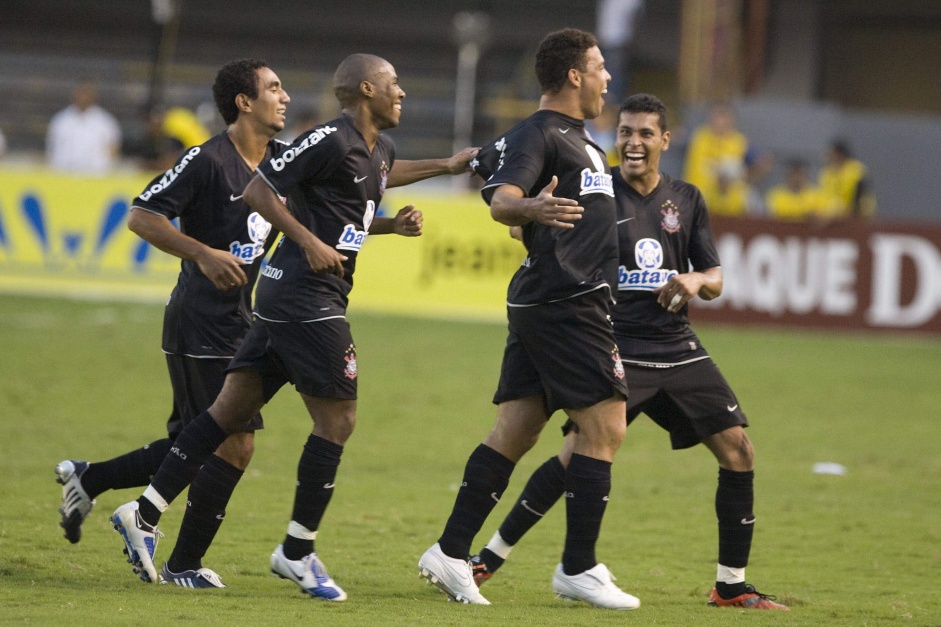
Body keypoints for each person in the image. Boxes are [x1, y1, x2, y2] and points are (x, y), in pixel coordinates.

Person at [107, 53, 478, 600]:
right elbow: (259, 190)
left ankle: (144, 510)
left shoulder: (378, 149)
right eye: (395, 84)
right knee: (339, 420)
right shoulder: (328, 136)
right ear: (367, 89)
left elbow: (376, 178)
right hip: (306, 296)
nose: (402, 93)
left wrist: (436, 177)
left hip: (284, 298)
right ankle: (297, 551)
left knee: (227, 415)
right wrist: (307, 241)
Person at [467, 93, 789, 611]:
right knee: (575, 459)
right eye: (625, 133)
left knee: (739, 452)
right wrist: (529, 219)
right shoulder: (595, 187)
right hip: (614, 341)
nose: (633, 143)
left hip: (678, 345)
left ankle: (730, 586)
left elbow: (716, 279)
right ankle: (490, 558)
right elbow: (523, 226)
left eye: (644, 134)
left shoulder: (687, 198)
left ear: (666, 140)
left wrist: (693, 278)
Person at [417, 28, 638, 610]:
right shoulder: (541, 133)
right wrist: (528, 206)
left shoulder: (575, 139)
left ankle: (450, 550)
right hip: (566, 302)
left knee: (517, 430)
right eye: (599, 67)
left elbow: (491, 166)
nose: (607, 77)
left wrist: (505, 191)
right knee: (607, 426)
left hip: (554, 298)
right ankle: (578, 567)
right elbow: (501, 200)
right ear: (573, 76)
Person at [55, 58, 292, 589]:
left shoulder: (281, 163)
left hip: (240, 320)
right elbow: (142, 214)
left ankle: (90, 479)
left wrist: (390, 222)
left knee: (195, 439)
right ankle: (182, 562)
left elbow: (316, 217)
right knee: (233, 441)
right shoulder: (206, 160)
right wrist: (203, 252)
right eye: (274, 88)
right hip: (200, 322)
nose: (286, 97)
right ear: (244, 102)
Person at [683, 102, 748, 213]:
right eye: (717, 115)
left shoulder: (739, 141)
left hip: (730, 199)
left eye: (724, 116)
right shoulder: (700, 137)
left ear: (731, 119)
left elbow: (738, 170)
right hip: (699, 197)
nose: (720, 121)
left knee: (750, 200)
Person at [46, 81, 122, 175]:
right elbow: (51, 149)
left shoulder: (106, 122)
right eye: (81, 92)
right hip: (63, 176)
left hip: (96, 178)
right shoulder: (61, 120)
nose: (83, 96)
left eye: (86, 93)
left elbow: (113, 150)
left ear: (94, 95)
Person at [818, 138, 875, 219]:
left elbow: (860, 196)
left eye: (831, 153)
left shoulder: (856, 170)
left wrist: (848, 212)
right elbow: (824, 196)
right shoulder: (826, 173)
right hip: (834, 217)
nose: (829, 157)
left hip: (857, 215)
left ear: (840, 154)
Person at [766, 158, 836, 221]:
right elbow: (773, 214)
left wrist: (822, 216)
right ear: (787, 177)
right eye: (793, 175)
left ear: (806, 176)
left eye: (800, 174)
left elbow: (836, 209)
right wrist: (804, 215)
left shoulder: (818, 194)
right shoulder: (776, 194)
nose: (796, 178)